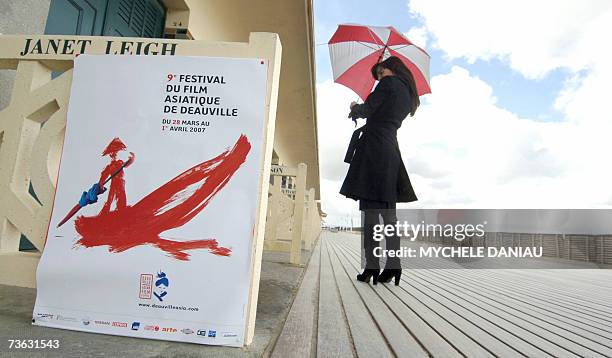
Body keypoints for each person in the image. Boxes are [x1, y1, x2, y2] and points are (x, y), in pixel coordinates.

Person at [340, 56, 419, 286]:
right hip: (390, 151)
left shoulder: (388, 84)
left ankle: (371, 267)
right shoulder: (407, 94)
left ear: (390, 68)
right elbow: (381, 112)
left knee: (371, 214)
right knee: (388, 216)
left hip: (374, 150)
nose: (379, 77)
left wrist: (355, 108)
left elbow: (368, 110)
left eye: (380, 72)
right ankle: (393, 266)